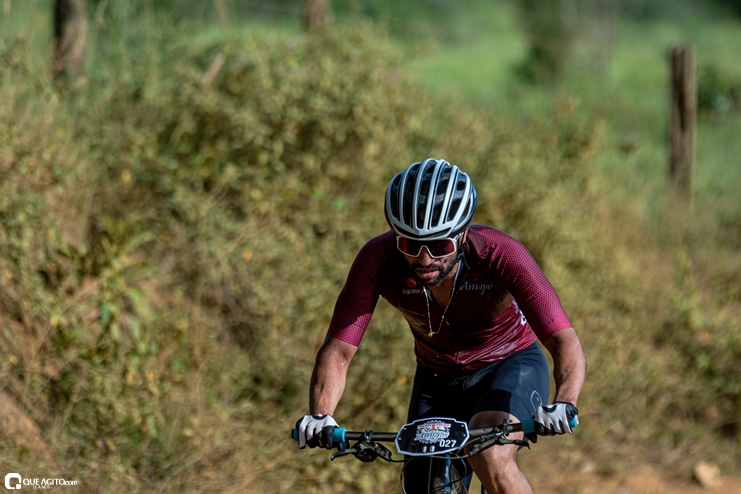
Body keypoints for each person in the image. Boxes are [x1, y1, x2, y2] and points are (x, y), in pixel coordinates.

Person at [295, 158, 587, 494]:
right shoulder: (376, 260)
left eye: (439, 246)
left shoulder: (501, 254)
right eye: (409, 245)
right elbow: (338, 351)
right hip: (436, 376)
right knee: (424, 482)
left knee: (490, 454)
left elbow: (564, 341)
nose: (424, 259)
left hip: (509, 364)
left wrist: (565, 401)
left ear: (462, 234)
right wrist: (321, 415)